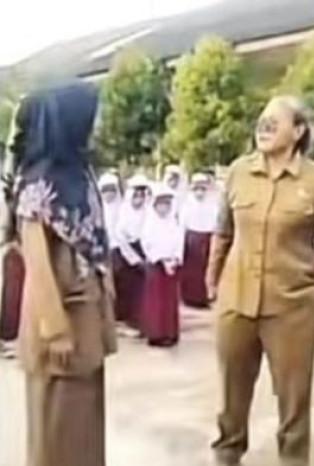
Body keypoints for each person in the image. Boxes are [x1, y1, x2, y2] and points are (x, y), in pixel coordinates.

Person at [206, 95, 314, 466]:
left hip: (293, 309)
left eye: (275, 121)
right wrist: (214, 280)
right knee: (230, 400)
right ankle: (226, 457)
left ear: (298, 131)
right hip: (236, 304)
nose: (264, 127)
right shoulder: (239, 172)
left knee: (293, 403)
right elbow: (222, 232)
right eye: (262, 120)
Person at [10, 83, 117, 466]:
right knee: (56, 426)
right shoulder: (38, 182)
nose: (96, 125)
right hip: (59, 319)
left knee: (83, 422)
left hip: (86, 314)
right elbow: (37, 263)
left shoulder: (79, 173)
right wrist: (55, 330)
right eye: (91, 116)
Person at [140, 185, 185, 347]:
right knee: (156, 301)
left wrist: (175, 259)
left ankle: (170, 333)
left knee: (170, 301)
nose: (163, 208)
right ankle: (156, 334)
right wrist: (161, 260)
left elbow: (179, 241)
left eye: (167, 204)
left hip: (172, 267)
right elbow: (147, 243)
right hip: (156, 267)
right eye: (160, 204)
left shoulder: (174, 223)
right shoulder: (150, 223)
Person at [113, 174, 151, 333]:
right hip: (127, 255)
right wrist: (135, 259)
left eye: (142, 195)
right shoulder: (124, 211)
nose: (139, 198)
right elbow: (120, 236)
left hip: (145, 251)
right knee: (127, 289)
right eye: (136, 195)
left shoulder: (149, 211)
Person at [180, 173, 218, 308]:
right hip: (191, 239)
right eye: (197, 189)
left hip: (207, 238)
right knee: (191, 271)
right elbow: (182, 224)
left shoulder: (212, 205)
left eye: (202, 189)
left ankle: (204, 298)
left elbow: (215, 223)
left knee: (205, 269)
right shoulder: (187, 204)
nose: (200, 192)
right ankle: (189, 298)